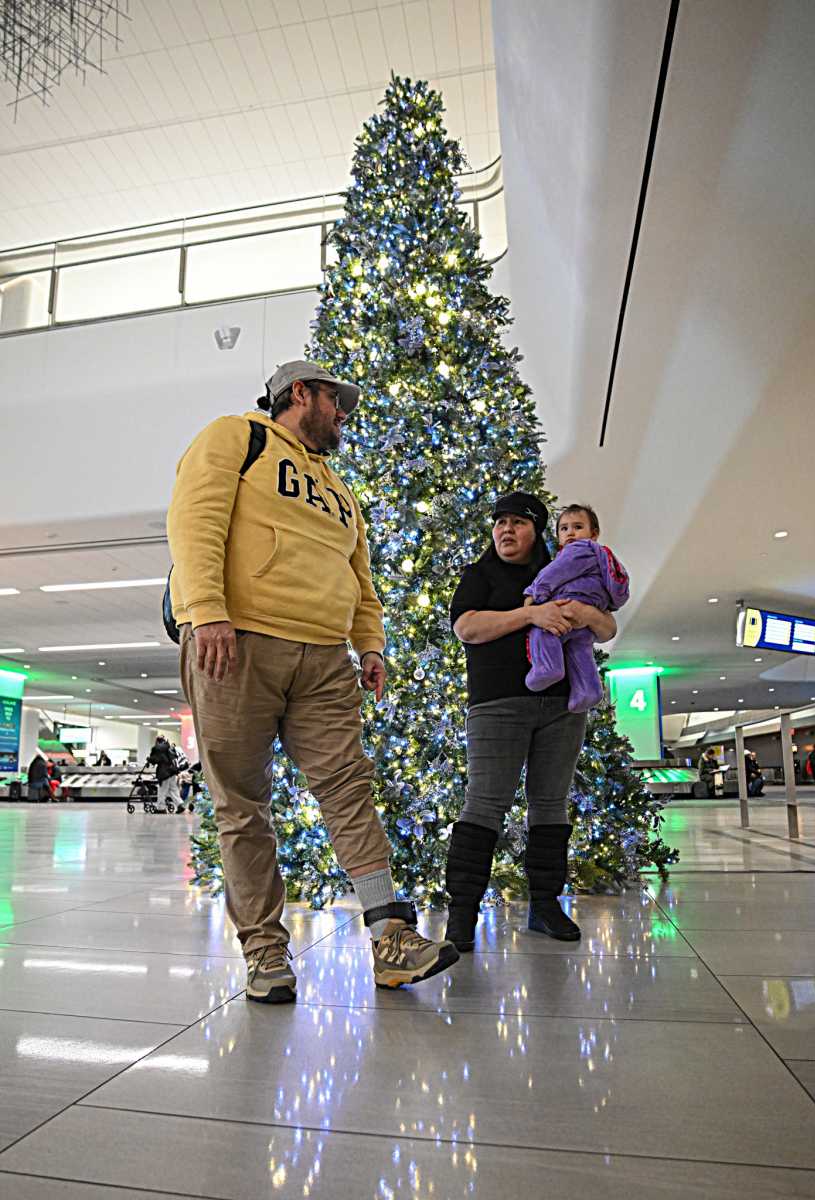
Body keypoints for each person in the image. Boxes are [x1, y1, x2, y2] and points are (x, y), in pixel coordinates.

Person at [167, 360, 458, 1004]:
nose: (344, 413)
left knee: (348, 787)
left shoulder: (339, 490)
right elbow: (194, 524)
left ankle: (390, 936)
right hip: (236, 642)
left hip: (325, 657)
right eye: (336, 399)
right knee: (242, 803)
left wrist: (370, 645)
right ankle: (265, 950)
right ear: (300, 393)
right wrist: (209, 612)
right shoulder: (234, 438)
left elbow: (361, 578)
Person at [444, 491, 618, 951]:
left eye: (517, 522)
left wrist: (585, 613)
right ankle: (461, 914)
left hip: (562, 706)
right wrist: (530, 613)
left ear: (537, 529)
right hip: (498, 704)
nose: (505, 530)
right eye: (500, 522)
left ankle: (545, 905)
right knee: (484, 804)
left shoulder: (566, 568)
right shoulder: (479, 574)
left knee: (550, 804)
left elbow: (607, 629)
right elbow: (466, 627)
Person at [523, 504, 629, 710]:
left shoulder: (579, 550)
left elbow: (554, 573)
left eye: (577, 527)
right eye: (564, 528)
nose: (570, 532)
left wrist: (534, 593)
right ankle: (588, 690)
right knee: (579, 650)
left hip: (567, 603)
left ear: (594, 534)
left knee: (544, 630)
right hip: (588, 615)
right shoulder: (599, 558)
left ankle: (547, 667)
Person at [147, 735, 183, 812]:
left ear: (157, 741)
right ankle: (180, 805)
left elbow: (155, 759)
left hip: (164, 773)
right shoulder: (168, 747)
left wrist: (149, 759)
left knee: (162, 791)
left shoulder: (157, 748)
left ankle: (161, 808)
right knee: (173, 790)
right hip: (172, 771)